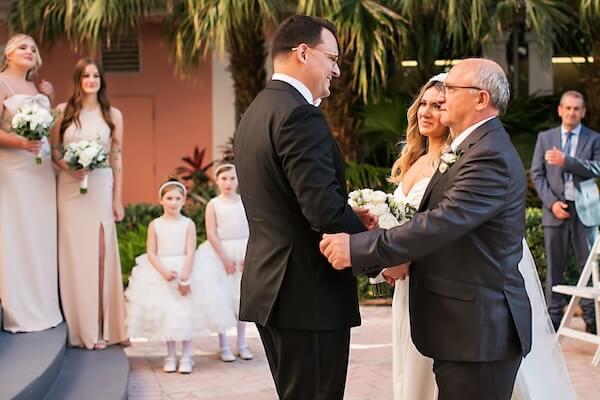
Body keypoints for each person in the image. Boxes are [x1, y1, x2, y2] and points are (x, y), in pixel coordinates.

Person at [321, 58, 532, 400]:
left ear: (481, 99)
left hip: (478, 333)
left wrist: (359, 249)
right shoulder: (471, 147)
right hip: (461, 327)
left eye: (450, 89)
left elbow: (441, 222)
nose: (442, 96)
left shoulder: (488, 154)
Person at [233, 15, 375, 400]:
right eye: (332, 57)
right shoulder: (300, 115)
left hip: (273, 288)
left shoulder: (256, 113)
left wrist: (348, 215)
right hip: (307, 293)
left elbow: (286, 199)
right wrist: (378, 254)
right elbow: (322, 210)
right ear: (303, 52)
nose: (336, 69)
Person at [378, 73, 450, 400]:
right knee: (408, 363)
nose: (426, 112)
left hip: (436, 283)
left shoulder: (456, 163)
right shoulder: (413, 161)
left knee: (430, 368)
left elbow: (446, 227)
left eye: (438, 105)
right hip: (406, 285)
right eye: (423, 103)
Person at [51, 58, 126, 349]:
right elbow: (54, 150)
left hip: (100, 187)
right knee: (74, 257)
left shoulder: (113, 115)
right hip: (70, 188)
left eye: (96, 75)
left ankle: (101, 327)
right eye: (86, 75)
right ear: (78, 79)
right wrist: (69, 168)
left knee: (99, 255)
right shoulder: (63, 111)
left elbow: (117, 157)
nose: (91, 80)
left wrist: (117, 198)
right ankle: (82, 329)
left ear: (101, 80)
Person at [126, 179, 236, 374]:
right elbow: (151, 251)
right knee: (169, 315)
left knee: (185, 315)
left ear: (183, 201)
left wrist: (185, 277)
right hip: (162, 273)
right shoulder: (155, 225)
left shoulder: (188, 224)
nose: (173, 202)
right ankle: (170, 356)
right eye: (169, 198)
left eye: (177, 198)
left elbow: (190, 251)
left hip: (186, 271)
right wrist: (163, 271)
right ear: (161, 201)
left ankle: (186, 356)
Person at [0, 33, 62, 333]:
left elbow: (48, 132)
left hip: (42, 170)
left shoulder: (39, 88)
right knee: (18, 234)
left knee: (42, 235)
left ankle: (45, 305)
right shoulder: (1, 84)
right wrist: (20, 144)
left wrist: (49, 98)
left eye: (33, 48)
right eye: (22, 47)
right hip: (14, 169)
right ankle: (22, 309)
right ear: (8, 53)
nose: (29, 51)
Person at [531, 90, 600, 334]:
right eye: (567, 108)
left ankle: (593, 320)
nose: (572, 112)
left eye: (576, 109)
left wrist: (566, 161)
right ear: (560, 110)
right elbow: (537, 174)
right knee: (555, 268)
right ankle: (554, 320)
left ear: (582, 112)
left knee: (588, 268)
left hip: (585, 211)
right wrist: (551, 203)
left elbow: (597, 168)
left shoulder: (593, 139)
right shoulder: (545, 138)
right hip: (555, 210)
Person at [194, 164, 253, 362]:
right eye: (224, 178)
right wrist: (225, 259)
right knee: (222, 299)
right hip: (220, 253)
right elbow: (211, 232)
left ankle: (242, 343)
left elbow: (254, 228)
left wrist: (250, 255)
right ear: (217, 181)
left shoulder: (245, 202)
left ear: (238, 180)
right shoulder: (213, 204)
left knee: (241, 300)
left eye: (232, 178)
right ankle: (224, 345)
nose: (228, 182)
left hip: (243, 251)